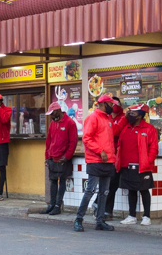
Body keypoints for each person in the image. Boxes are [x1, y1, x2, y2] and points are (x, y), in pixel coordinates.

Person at [74, 94, 117, 232]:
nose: (112, 107)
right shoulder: (93, 117)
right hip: (96, 160)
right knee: (90, 191)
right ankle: (78, 219)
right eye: (111, 105)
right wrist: (101, 151)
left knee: (104, 192)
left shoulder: (108, 118)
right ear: (104, 104)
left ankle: (100, 221)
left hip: (108, 161)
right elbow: (87, 138)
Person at [116, 103, 159, 226]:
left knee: (144, 190)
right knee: (131, 191)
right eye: (129, 112)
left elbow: (153, 148)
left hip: (142, 166)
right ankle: (132, 216)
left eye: (133, 113)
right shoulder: (125, 128)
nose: (130, 115)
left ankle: (146, 216)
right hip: (126, 166)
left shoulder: (149, 129)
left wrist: (148, 161)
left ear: (140, 115)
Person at [42, 101, 78, 215]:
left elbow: (73, 142)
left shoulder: (70, 123)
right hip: (52, 157)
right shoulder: (52, 123)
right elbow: (49, 141)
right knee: (52, 181)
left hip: (63, 158)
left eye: (52, 114)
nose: (51, 116)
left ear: (57, 111)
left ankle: (58, 206)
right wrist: (47, 156)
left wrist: (67, 156)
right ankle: (52, 204)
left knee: (62, 181)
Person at [103, 96, 128, 220]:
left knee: (113, 183)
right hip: (105, 155)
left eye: (117, 104)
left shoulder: (124, 118)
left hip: (119, 156)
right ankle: (102, 208)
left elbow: (116, 131)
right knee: (105, 184)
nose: (114, 106)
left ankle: (106, 211)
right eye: (112, 104)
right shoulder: (105, 117)